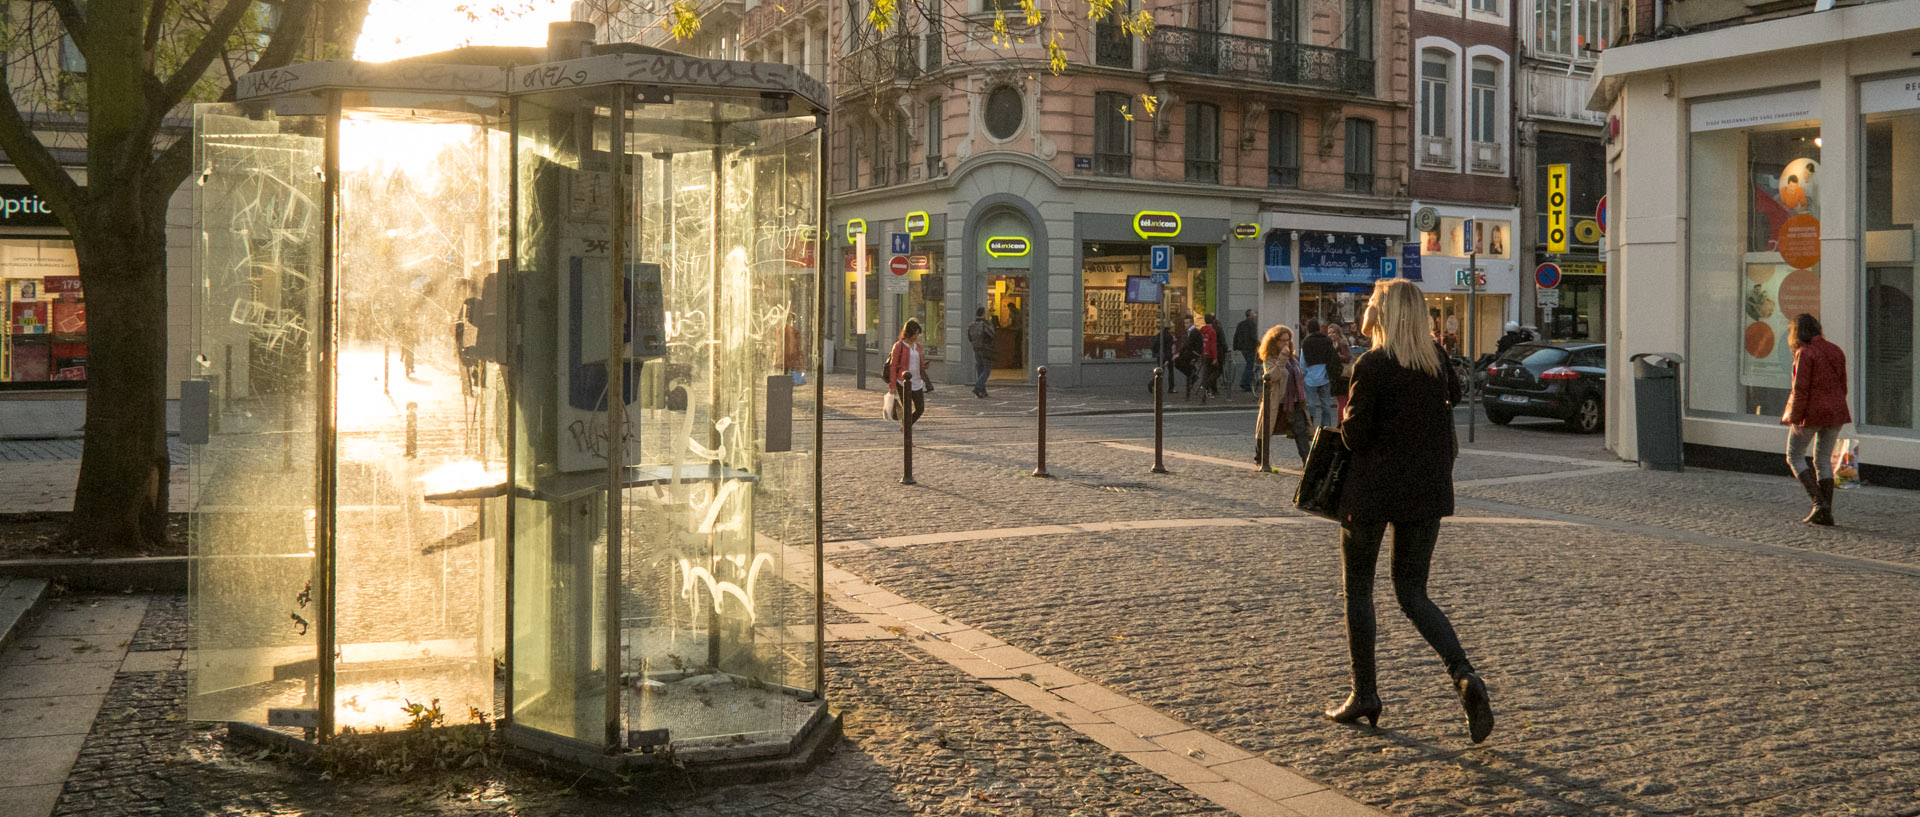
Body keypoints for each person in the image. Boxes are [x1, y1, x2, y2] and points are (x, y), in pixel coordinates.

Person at [1325, 277, 1493, 744]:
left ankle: (1366, 694)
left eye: (1373, 303)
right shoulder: (1435, 363)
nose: (1368, 308)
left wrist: (1347, 417)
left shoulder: (1372, 364)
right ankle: (1463, 675)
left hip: (1372, 494)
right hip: (1425, 493)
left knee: (1358, 591)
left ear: (1384, 313)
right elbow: (1453, 399)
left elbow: (1355, 437)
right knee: (1413, 592)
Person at [1782, 313, 1850, 526]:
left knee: (1794, 455)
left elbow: (1800, 389)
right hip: (1835, 412)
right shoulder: (1836, 350)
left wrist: (1795, 418)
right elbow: (1842, 385)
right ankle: (1825, 511)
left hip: (1811, 413)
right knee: (1822, 459)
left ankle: (1819, 504)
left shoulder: (1805, 353)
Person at [1254, 325, 1311, 463]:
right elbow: (1272, 376)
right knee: (1265, 430)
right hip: (1275, 401)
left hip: (1294, 401)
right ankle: (1260, 458)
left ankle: (1307, 462)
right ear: (1274, 341)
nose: (1286, 343)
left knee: (1301, 431)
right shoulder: (1270, 358)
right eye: (1282, 340)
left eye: (1288, 340)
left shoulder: (1293, 358)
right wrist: (1281, 359)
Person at [884, 319, 932, 426]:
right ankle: (906, 432)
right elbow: (893, 366)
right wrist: (892, 385)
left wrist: (923, 366)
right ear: (908, 333)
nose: (916, 336)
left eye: (917, 334)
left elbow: (917, 362)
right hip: (903, 382)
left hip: (917, 381)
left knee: (920, 408)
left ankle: (906, 426)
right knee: (907, 409)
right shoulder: (899, 346)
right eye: (914, 334)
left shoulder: (918, 347)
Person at [1300, 319, 1337, 428]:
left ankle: (1310, 426)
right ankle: (1326, 428)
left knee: (1311, 405)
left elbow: (1303, 363)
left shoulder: (1306, 342)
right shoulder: (1327, 340)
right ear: (1319, 328)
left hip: (1310, 377)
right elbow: (1332, 358)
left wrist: (1303, 375)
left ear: (1308, 329)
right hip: (1325, 376)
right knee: (1326, 406)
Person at [966, 306, 997, 398]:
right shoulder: (986, 324)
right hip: (985, 350)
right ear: (984, 314)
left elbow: (970, 338)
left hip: (976, 349)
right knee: (987, 369)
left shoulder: (971, 325)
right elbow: (993, 334)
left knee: (980, 369)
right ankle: (978, 387)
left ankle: (983, 391)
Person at [1327, 323, 1354, 419]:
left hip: (1342, 376)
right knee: (1342, 401)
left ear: (1338, 333)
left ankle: (1341, 423)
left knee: (1342, 402)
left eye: (1333, 332)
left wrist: (1337, 356)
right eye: (1329, 333)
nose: (1331, 335)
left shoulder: (1341, 342)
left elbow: (1347, 357)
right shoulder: (1333, 344)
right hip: (1338, 375)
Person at [1175, 315, 1205, 398]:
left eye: (1187, 323)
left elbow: (1189, 344)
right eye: (1185, 323)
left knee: (1178, 361)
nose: (1185, 325)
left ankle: (1192, 374)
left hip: (1194, 352)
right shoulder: (1191, 331)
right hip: (1192, 351)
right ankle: (1192, 373)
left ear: (1191, 323)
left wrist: (1180, 353)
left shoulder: (1194, 332)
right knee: (1178, 361)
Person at [1234, 310, 1260, 393]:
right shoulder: (1252, 324)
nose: (1255, 315)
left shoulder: (1240, 324)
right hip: (1250, 348)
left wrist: (1236, 347)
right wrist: (1259, 343)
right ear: (1250, 315)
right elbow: (1253, 336)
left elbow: (1236, 335)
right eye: (1254, 313)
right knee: (1250, 366)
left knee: (1248, 365)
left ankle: (1245, 382)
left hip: (1243, 348)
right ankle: (1245, 384)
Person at [1154, 322, 1178, 392]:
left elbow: (1155, 345)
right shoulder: (1169, 336)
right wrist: (1168, 358)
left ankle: (1153, 384)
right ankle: (1171, 387)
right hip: (1167, 356)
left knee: (1160, 371)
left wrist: (1156, 353)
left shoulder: (1160, 335)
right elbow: (1168, 348)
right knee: (1170, 371)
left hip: (1160, 355)